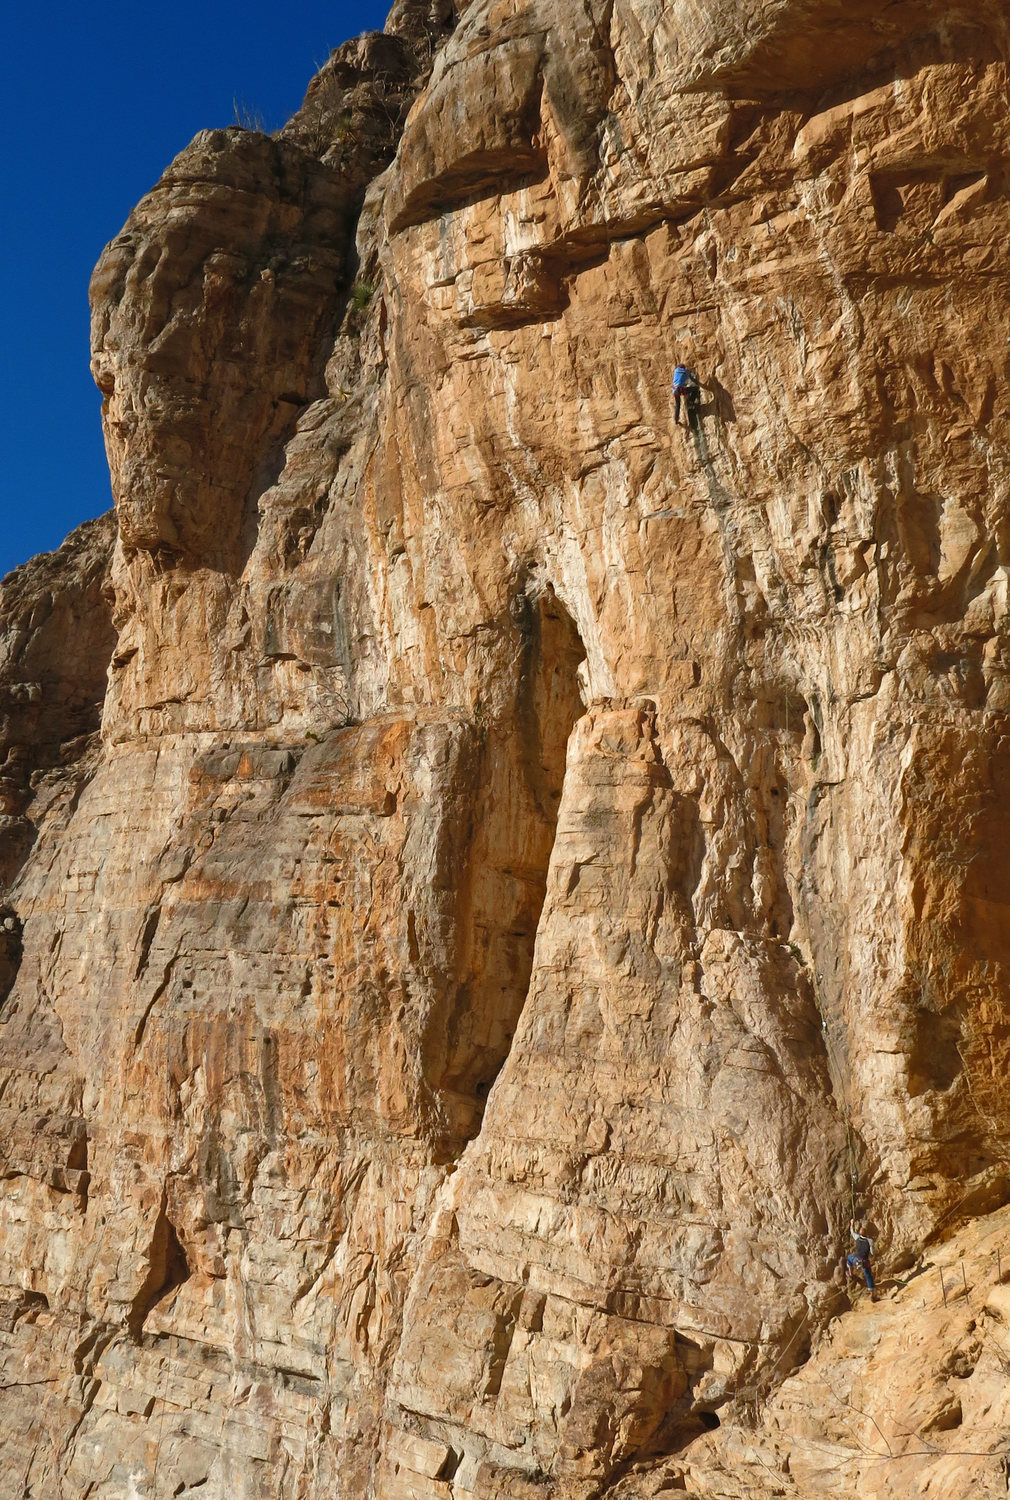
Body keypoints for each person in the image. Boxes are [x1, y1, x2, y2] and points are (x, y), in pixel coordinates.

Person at [846, 1219, 877, 1300]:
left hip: (856, 1260)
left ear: (860, 1233)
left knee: (849, 1258)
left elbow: (852, 1231)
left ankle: (851, 1274)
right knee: (868, 1276)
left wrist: (852, 1223)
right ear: (866, 1234)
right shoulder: (870, 1241)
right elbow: (872, 1253)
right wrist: (872, 1247)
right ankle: (873, 1295)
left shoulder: (857, 1237)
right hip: (865, 1262)